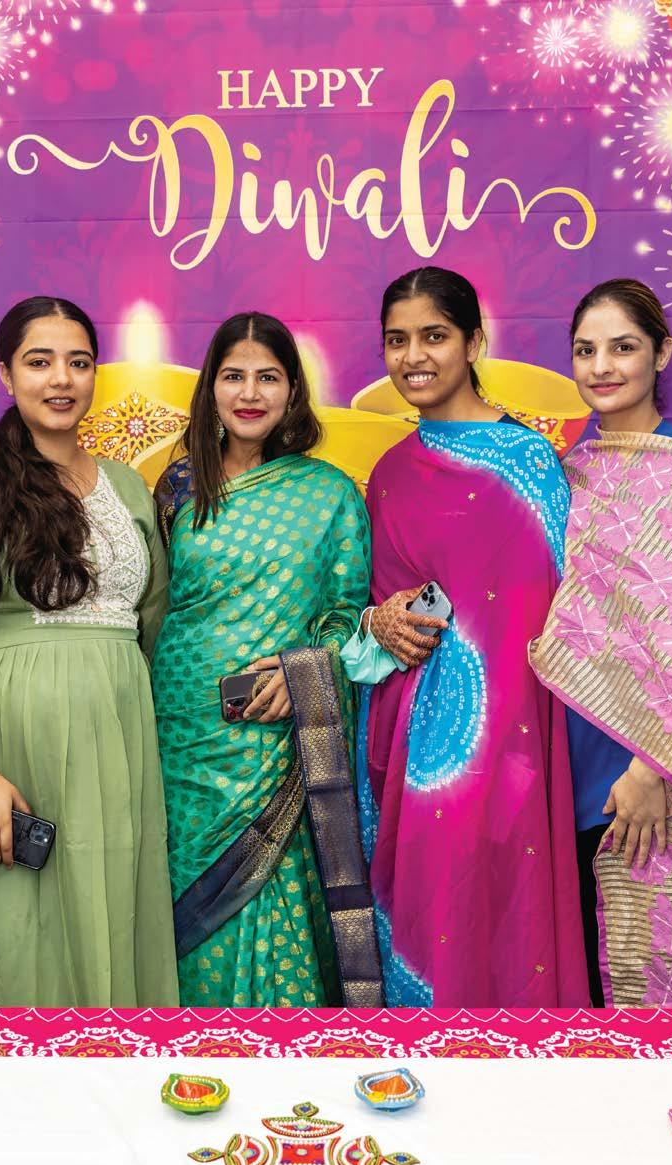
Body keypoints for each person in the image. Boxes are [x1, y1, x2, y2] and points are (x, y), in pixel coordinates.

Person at [0, 296, 178, 1007]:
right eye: (39, 361)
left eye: (78, 362)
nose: (61, 378)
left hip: (121, 740)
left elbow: (153, 625)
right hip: (8, 745)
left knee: (110, 912)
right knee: (17, 927)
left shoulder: (129, 487)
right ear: (6, 374)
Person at [355, 266, 589, 1007]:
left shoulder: (529, 462)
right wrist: (378, 621)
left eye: (434, 336)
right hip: (417, 751)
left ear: (474, 343)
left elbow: (557, 614)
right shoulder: (390, 474)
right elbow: (373, 614)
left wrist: (514, 753)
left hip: (516, 741)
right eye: (397, 340)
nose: (413, 357)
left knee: (507, 923)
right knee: (432, 926)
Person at [152, 312, 380, 1008]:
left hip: (279, 742)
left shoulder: (329, 493)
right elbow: (156, 605)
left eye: (268, 377)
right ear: (210, 388)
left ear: (293, 391)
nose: (250, 393)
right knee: (183, 907)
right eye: (233, 376)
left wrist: (309, 670)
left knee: (272, 899)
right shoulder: (176, 488)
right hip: (182, 740)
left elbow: (347, 613)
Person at [531, 278, 672, 1006]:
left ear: (661, 352)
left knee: (661, 972)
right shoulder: (567, 474)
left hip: (658, 762)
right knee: (584, 978)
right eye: (584, 350)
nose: (601, 367)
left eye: (622, 347)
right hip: (569, 753)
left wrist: (654, 766)